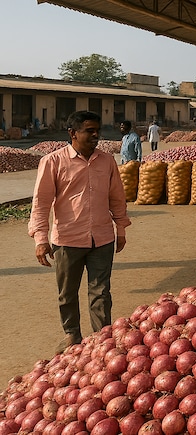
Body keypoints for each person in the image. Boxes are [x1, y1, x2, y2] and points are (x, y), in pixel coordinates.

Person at [28, 110, 131, 354]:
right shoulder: (52, 161)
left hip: (102, 238)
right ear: (72, 133)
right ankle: (72, 334)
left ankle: (102, 338)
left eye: (98, 131)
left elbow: (116, 196)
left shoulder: (107, 161)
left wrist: (121, 227)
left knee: (101, 292)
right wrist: (41, 239)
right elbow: (41, 203)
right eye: (89, 131)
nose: (96, 136)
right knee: (67, 293)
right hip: (67, 240)